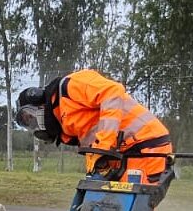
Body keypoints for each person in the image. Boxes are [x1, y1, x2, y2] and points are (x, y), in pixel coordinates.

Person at [14, 70, 172, 182]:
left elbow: (112, 91)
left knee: (127, 208)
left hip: (145, 145)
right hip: (122, 152)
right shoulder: (66, 124)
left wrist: (103, 145)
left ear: (39, 101)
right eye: (28, 123)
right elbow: (92, 142)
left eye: (30, 117)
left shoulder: (69, 87)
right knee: (99, 208)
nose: (34, 124)